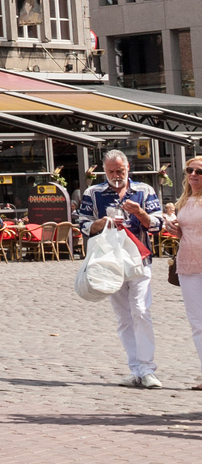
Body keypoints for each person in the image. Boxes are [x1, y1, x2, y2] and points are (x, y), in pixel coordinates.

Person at [75, 149, 164, 388]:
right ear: (104, 171)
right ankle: (135, 369)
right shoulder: (93, 193)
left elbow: (157, 223)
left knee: (141, 310)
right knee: (124, 317)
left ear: (128, 168)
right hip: (110, 263)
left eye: (120, 171)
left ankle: (148, 369)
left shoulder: (144, 191)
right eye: (111, 171)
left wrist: (141, 213)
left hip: (140, 260)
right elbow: (82, 223)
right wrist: (100, 223)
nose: (116, 176)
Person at [167, 154, 202, 388]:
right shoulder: (183, 201)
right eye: (189, 170)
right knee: (197, 323)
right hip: (189, 265)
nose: (193, 175)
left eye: (199, 172)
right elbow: (186, 233)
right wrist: (174, 228)